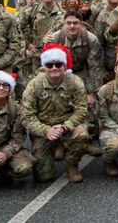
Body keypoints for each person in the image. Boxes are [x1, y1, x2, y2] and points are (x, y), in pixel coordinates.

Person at [22, 44, 91, 182]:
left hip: (67, 125)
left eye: (58, 64)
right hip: (44, 128)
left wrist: (66, 126)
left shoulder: (75, 82)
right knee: (44, 176)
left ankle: (72, 165)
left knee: (81, 135)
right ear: (44, 67)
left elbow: (81, 110)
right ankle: (50, 153)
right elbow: (27, 116)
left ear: (64, 66)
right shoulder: (34, 85)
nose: (54, 68)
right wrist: (46, 131)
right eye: (49, 65)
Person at [46, 10, 104, 157]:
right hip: (60, 72)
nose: (72, 26)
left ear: (81, 24)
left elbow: (95, 68)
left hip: (82, 71)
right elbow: (48, 65)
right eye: (68, 23)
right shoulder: (55, 38)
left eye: (75, 23)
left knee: (89, 104)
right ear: (64, 24)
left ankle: (87, 140)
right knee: (58, 102)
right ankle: (60, 143)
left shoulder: (90, 39)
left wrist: (91, 93)